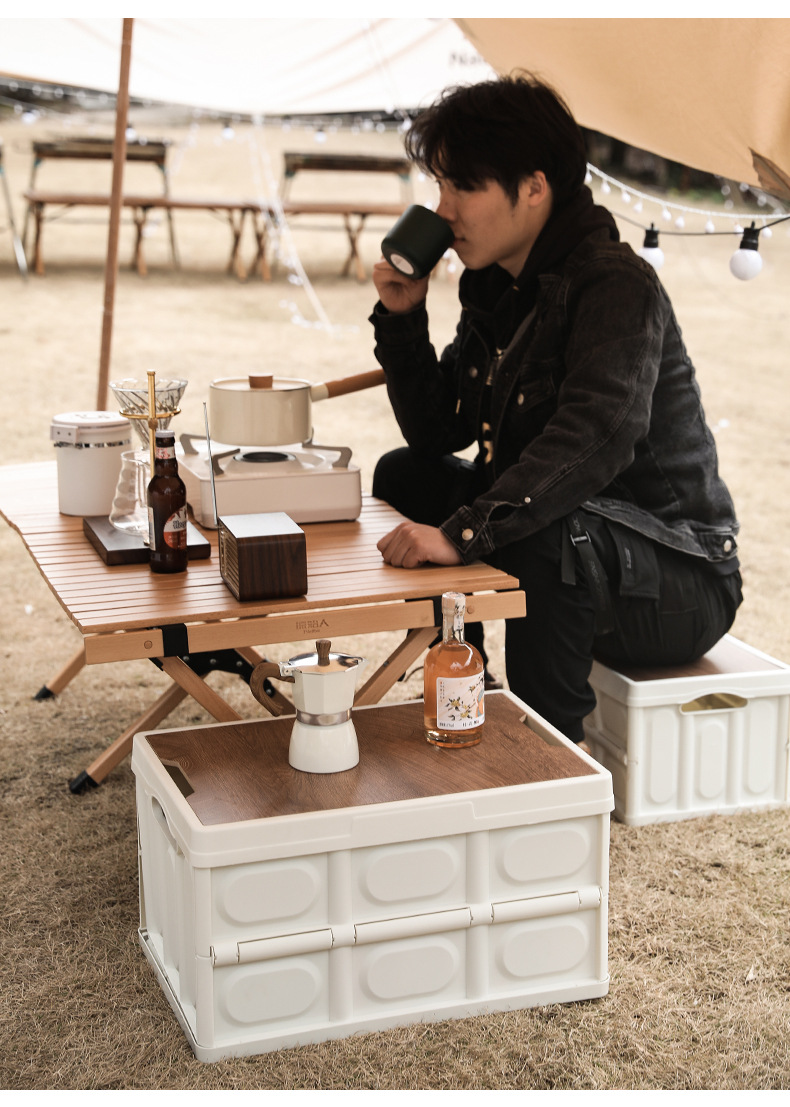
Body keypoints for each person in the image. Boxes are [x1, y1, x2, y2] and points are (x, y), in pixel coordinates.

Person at [370, 72, 743, 744]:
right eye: (440, 186)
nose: (443, 210)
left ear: (534, 188)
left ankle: (550, 756)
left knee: (550, 533)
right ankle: (467, 683)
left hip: (678, 577)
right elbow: (437, 431)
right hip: (571, 540)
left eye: (462, 187)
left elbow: (595, 438)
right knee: (406, 475)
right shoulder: (496, 286)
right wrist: (402, 318)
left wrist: (463, 534)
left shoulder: (615, 284)